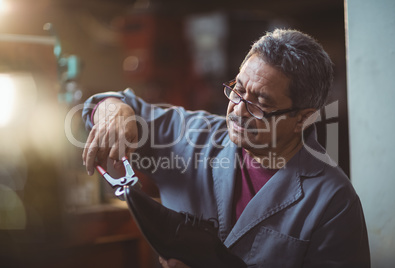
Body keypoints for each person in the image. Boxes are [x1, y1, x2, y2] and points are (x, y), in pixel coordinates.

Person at [82, 29, 370, 268]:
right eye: (238, 89)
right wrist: (112, 110)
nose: (238, 111)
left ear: (303, 118)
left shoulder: (333, 204)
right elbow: (107, 101)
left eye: (261, 104)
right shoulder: (193, 135)